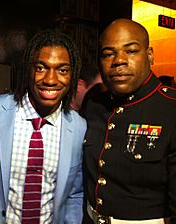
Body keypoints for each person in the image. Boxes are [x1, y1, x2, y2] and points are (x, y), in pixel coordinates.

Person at [0, 29, 87, 223]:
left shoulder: (79, 127)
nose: (50, 79)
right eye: (41, 68)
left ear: (72, 76)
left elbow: (75, 193)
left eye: (62, 70)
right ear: (28, 70)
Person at [81, 18, 176, 223]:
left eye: (131, 51)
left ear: (149, 55)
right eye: (108, 54)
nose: (119, 60)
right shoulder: (95, 105)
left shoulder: (171, 108)